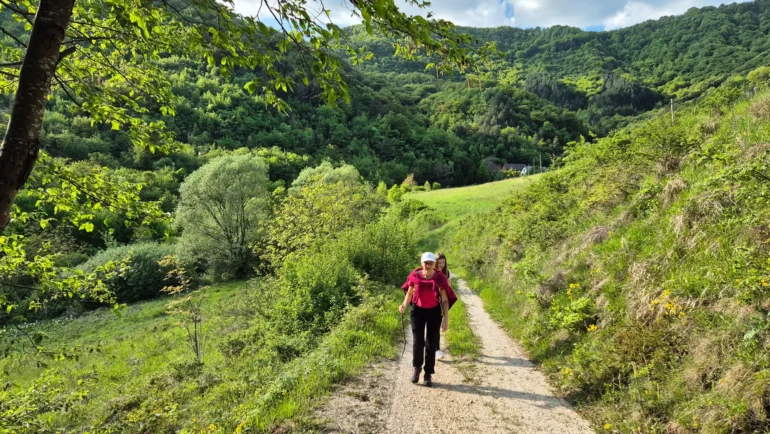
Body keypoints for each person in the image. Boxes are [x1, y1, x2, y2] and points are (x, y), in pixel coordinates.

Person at [399, 252, 457, 387]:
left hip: (434, 313)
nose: (428, 265)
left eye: (430, 263)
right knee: (418, 343)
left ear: (433, 264)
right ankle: (416, 368)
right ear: (422, 263)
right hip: (417, 312)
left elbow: (444, 299)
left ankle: (428, 373)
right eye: (426, 262)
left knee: (431, 345)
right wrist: (403, 305)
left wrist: (446, 319)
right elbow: (409, 293)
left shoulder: (439, 278)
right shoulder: (415, 276)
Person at [434, 252, 454, 360]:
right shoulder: (432, 272)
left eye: (443, 262)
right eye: (439, 262)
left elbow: (449, 289)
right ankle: (434, 348)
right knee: (433, 327)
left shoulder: (447, 273)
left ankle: (436, 349)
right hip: (432, 300)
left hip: (443, 300)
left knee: (437, 325)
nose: (441, 264)